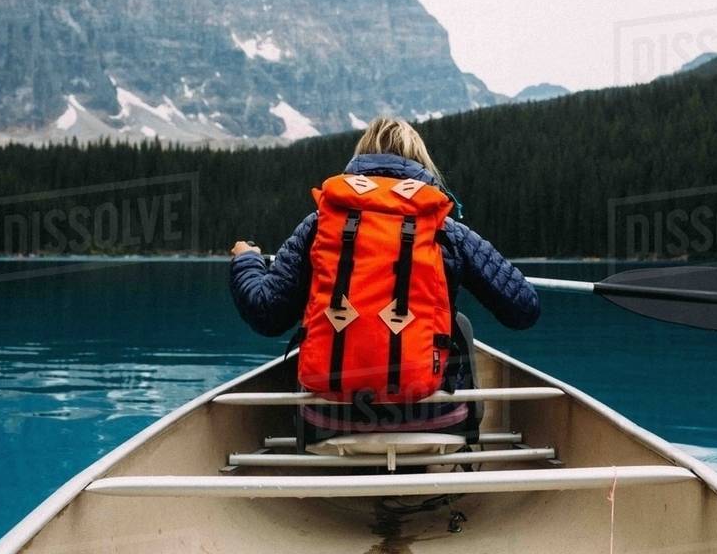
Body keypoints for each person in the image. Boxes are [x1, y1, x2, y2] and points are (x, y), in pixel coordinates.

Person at [229, 117, 539, 444]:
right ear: (420, 163)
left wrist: (246, 259)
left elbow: (267, 314)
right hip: (433, 417)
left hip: (328, 420)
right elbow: (523, 309)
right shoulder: (447, 231)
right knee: (457, 322)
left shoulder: (319, 225)